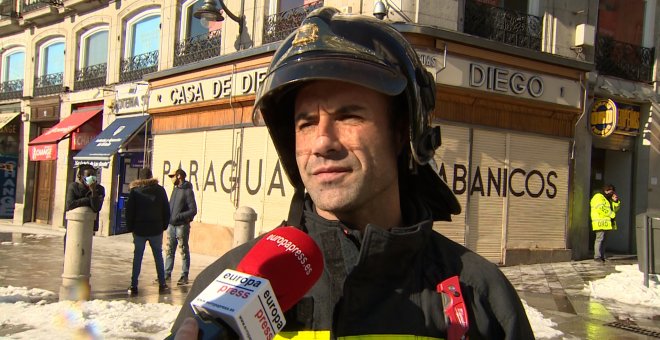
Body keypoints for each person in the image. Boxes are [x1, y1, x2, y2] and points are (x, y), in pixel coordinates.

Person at [170, 7, 534, 339]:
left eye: (349, 116)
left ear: (402, 133)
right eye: (306, 122)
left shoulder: (481, 297)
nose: (322, 142)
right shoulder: (226, 289)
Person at [125, 167, 171, 296]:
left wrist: (130, 227)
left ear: (140, 178)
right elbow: (166, 209)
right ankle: (162, 283)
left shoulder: (135, 192)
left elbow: (129, 211)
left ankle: (134, 285)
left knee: (137, 257)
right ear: (151, 176)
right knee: (158, 256)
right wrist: (164, 226)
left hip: (139, 230)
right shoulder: (160, 190)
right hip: (156, 229)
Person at [164, 168, 197, 286]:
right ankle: (166, 273)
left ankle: (184, 275)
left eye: (172, 176)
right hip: (171, 225)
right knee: (169, 250)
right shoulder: (175, 190)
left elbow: (193, 210)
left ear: (179, 176)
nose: (171, 179)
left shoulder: (187, 191)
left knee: (183, 249)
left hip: (181, 226)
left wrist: (179, 216)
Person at [64, 164, 105, 251]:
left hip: (89, 226)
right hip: (74, 225)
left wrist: (93, 191)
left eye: (93, 175)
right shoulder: (74, 187)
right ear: (80, 176)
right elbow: (70, 204)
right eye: (88, 175)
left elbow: (96, 207)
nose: (91, 178)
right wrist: (87, 200)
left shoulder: (99, 189)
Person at [590, 184, 620, 262]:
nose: (611, 193)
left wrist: (615, 201)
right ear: (606, 190)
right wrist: (611, 214)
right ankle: (597, 256)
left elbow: (615, 209)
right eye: (610, 191)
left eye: (612, 191)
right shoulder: (598, 197)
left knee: (604, 240)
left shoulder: (608, 199)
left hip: (607, 223)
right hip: (600, 222)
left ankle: (602, 256)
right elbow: (600, 208)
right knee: (599, 239)